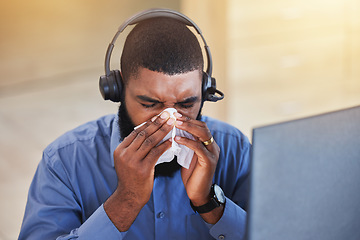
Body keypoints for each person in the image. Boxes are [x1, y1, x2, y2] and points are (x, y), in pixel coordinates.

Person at [19, 9, 251, 240]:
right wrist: (126, 200)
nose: (169, 121)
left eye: (185, 104)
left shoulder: (236, 149)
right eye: (150, 104)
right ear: (117, 90)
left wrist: (210, 203)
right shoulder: (64, 162)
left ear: (204, 91)